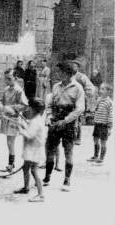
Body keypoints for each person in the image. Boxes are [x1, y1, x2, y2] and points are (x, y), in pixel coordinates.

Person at [43, 61, 85, 191]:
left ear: (68, 73)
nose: (58, 74)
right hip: (55, 120)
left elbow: (79, 109)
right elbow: (49, 104)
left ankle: (67, 180)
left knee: (68, 151)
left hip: (69, 123)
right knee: (50, 149)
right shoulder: (56, 86)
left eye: (60, 72)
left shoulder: (78, 88)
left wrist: (66, 121)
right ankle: (47, 176)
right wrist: (49, 117)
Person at [13, 98, 46, 202]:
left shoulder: (36, 122)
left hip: (34, 149)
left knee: (34, 170)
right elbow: (30, 123)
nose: (28, 109)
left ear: (33, 109)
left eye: (29, 107)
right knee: (26, 167)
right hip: (32, 148)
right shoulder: (37, 118)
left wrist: (19, 129)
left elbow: (30, 134)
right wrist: (23, 123)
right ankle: (26, 188)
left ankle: (41, 195)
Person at [0, 69, 28, 172]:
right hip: (6, 118)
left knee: (11, 142)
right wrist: (1, 105)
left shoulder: (19, 90)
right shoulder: (6, 89)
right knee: (9, 142)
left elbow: (24, 105)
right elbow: (1, 100)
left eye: (9, 79)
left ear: (15, 78)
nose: (7, 81)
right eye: (5, 79)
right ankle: (11, 164)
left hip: (14, 119)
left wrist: (12, 108)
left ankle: (11, 165)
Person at [68, 59, 95, 145]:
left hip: (79, 101)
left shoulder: (81, 77)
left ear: (78, 68)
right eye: (72, 66)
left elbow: (90, 87)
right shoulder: (68, 76)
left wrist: (85, 93)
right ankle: (69, 137)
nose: (73, 68)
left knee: (78, 120)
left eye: (75, 66)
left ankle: (77, 138)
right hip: (69, 100)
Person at [87, 83, 112, 164]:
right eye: (100, 89)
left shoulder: (109, 102)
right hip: (97, 124)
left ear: (108, 92)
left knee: (103, 142)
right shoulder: (99, 100)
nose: (100, 91)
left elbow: (110, 116)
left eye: (103, 89)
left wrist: (109, 128)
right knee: (95, 139)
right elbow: (95, 109)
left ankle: (101, 158)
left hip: (104, 125)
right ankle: (95, 155)